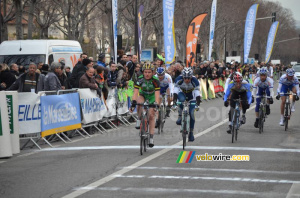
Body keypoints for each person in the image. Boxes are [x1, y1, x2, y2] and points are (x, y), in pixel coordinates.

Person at [130, 63, 160, 148]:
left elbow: (157, 94)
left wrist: (156, 104)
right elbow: (135, 93)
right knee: (139, 103)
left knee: (151, 115)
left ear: (152, 72)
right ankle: (139, 118)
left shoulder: (155, 80)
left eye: (149, 72)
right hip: (143, 94)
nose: (147, 74)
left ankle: (151, 137)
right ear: (143, 72)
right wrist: (133, 103)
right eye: (145, 72)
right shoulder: (139, 80)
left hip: (152, 96)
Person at [173, 67, 201, 142]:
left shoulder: (195, 81)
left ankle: (191, 132)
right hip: (182, 93)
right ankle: (180, 116)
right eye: (185, 78)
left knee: (192, 113)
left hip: (192, 95)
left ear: (191, 77)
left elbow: (197, 93)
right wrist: (174, 102)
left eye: (188, 78)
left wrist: (197, 104)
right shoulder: (178, 79)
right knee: (181, 100)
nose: (187, 80)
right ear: (183, 77)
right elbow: (175, 91)